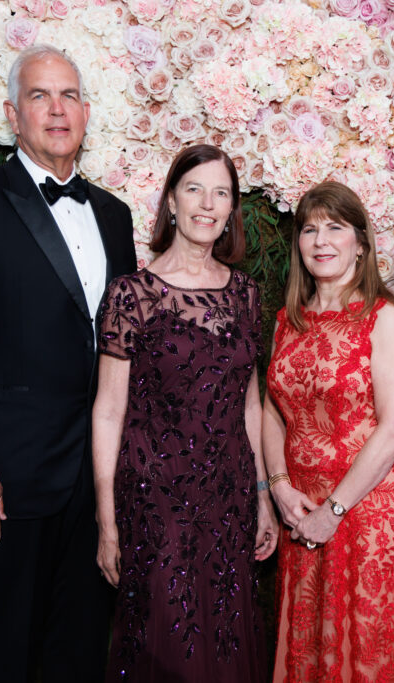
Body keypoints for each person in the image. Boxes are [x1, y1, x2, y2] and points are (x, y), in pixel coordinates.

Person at [0, 45, 137, 681]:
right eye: (40, 96)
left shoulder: (115, 218)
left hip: (96, 486)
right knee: (5, 654)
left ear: (86, 113)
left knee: (82, 651)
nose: (56, 110)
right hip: (4, 482)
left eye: (68, 96)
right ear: (14, 114)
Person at [92, 144, 279, 681]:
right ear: (172, 201)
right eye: (194, 189)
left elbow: (250, 403)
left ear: (230, 210)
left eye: (221, 193)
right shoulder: (133, 295)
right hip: (155, 501)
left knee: (225, 640)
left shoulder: (244, 294)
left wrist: (262, 497)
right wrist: (107, 520)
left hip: (230, 497)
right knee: (170, 647)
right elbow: (108, 411)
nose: (207, 203)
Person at [263, 181, 394, 682]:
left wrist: (334, 510)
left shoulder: (385, 318)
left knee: (369, 652)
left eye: (335, 227)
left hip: (366, 513)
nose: (321, 240)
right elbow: (272, 410)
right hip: (302, 508)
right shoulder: (286, 322)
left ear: (361, 242)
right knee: (310, 654)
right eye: (310, 229)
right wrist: (279, 488)